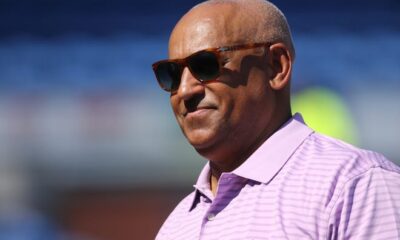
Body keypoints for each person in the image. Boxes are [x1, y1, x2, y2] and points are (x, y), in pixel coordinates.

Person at [151, 0, 400, 239]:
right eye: (171, 74)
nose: (184, 90)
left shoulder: (355, 186)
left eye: (205, 65)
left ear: (276, 66)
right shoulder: (177, 225)